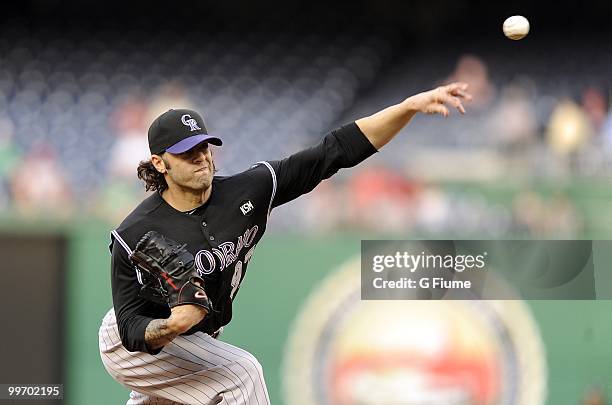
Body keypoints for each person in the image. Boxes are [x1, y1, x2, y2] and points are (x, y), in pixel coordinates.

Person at [98, 82, 472, 405]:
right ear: (160, 164)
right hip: (135, 343)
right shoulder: (135, 233)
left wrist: (406, 108)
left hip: (195, 339)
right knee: (240, 373)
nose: (201, 158)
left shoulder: (249, 190)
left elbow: (332, 152)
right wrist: (171, 326)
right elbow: (131, 329)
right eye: (187, 152)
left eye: (205, 146)